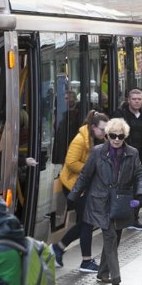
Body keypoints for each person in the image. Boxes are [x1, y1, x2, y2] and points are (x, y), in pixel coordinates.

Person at [68, 118, 142, 285]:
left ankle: (102, 273)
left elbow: (140, 174)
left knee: (115, 237)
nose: (117, 139)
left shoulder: (132, 153)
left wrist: (141, 195)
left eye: (120, 136)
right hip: (100, 201)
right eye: (113, 136)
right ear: (107, 136)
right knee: (110, 236)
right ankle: (116, 276)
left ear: (125, 136)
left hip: (120, 202)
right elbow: (85, 175)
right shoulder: (98, 152)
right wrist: (73, 195)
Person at [52, 110, 109, 272]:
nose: (104, 133)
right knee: (87, 222)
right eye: (102, 129)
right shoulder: (79, 140)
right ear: (93, 127)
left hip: (83, 185)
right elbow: (70, 162)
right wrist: (91, 169)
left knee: (85, 222)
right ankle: (85, 261)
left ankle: (58, 248)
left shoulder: (93, 139)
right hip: (73, 186)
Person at [112, 88, 142, 230]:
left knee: (138, 189)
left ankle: (134, 217)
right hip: (124, 157)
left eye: (139, 99)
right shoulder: (120, 115)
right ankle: (125, 217)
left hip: (140, 157)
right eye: (134, 99)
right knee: (125, 189)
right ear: (128, 100)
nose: (137, 101)